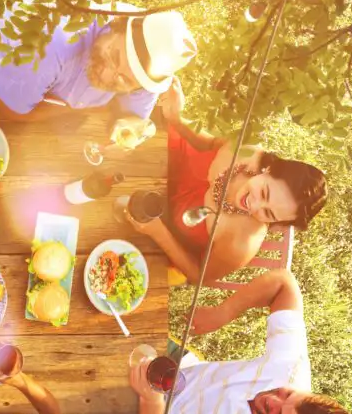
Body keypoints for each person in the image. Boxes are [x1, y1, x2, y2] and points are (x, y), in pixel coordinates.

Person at [132, 269, 352, 414]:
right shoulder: (292, 369)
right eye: (287, 394)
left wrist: (151, 400)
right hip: (178, 370)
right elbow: (284, 284)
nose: (272, 398)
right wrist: (223, 312)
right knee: (120, 311)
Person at [124, 79, 327, 282]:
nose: (254, 205)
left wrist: (157, 232)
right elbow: (209, 144)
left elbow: (198, 275)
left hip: (157, 229)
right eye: (265, 192)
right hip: (162, 162)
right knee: (128, 120)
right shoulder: (249, 150)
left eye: (268, 213)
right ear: (270, 169)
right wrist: (178, 119)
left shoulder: (243, 243)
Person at [0, 0, 196, 127]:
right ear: (116, 25)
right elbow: (8, 111)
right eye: (114, 57)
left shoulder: (148, 66)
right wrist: (69, 109)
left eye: (125, 80)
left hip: (42, 86)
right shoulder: (55, 43)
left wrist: (129, 131)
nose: (109, 75)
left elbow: (132, 120)